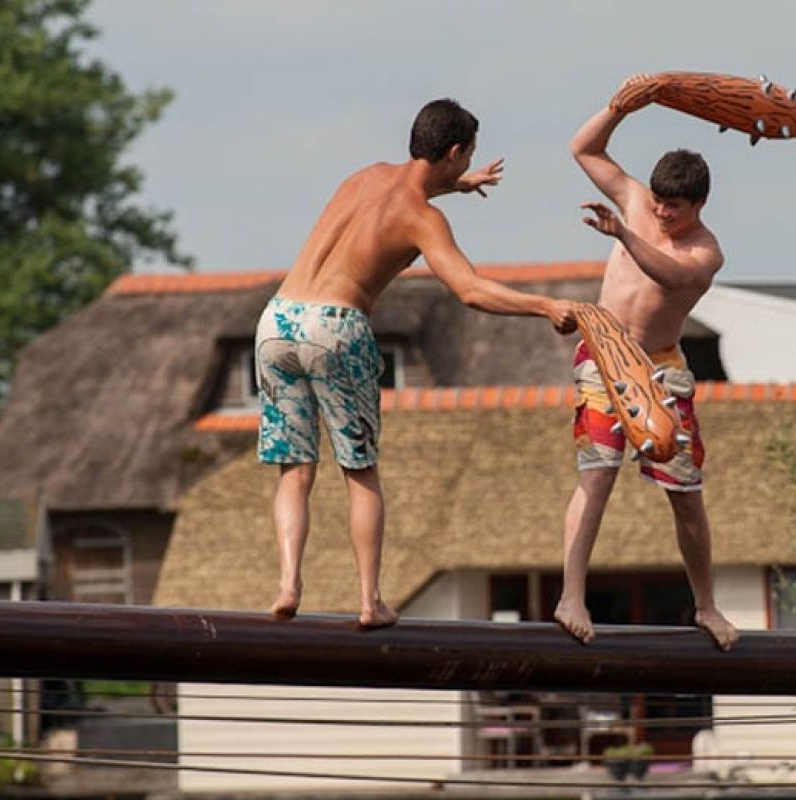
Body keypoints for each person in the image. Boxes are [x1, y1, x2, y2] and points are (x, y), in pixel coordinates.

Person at [256, 98, 578, 628]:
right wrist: (544, 305)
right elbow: (471, 290)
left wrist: (459, 182)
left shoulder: (362, 177)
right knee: (360, 472)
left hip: (277, 321)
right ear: (454, 151)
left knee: (296, 470)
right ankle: (370, 600)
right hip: (335, 328)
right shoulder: (423, 218)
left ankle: (289, 584)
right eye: (463, 158)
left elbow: (403, 186)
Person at [553, 75, 736, 650]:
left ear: (698, 206)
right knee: (597, 476)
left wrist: (623, 236)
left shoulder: (705, 251)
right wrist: (619, 108)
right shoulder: (635, 201)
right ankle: (571, 594)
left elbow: (671, 274)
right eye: (655, 201)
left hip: (660, 368)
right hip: (605, 355)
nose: (659, 212)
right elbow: (583, 149)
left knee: (685, 494)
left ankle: (705, 605)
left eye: (673, 208)